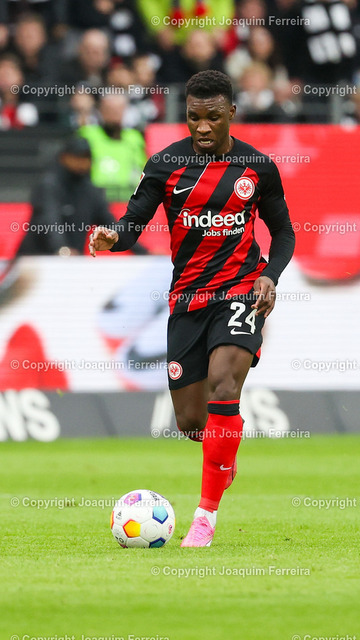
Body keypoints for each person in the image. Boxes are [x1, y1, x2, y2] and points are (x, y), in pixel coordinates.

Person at [88, 70, 295, 547]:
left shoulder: (257, 168)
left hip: (242, 290)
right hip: (187, 300)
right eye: (194, 118)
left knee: (227, 381)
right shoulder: (164, 166)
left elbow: (283, 233)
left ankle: (205, 517)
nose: (202, 127)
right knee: (190, 422)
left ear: (231, 115)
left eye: (213, 118)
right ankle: (223, 450)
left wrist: (269, 275)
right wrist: (112, 235)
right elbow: (134, 222)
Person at [18, 137, 118, 256]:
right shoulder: (49, 185)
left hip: (70, 264)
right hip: (37, 260)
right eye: (77, 157)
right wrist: (61, 249)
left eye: (86, 158)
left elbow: (111, 226)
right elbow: (50, 221)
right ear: (63, 157)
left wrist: (141, 251)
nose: (82, 162)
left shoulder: (91, 191)